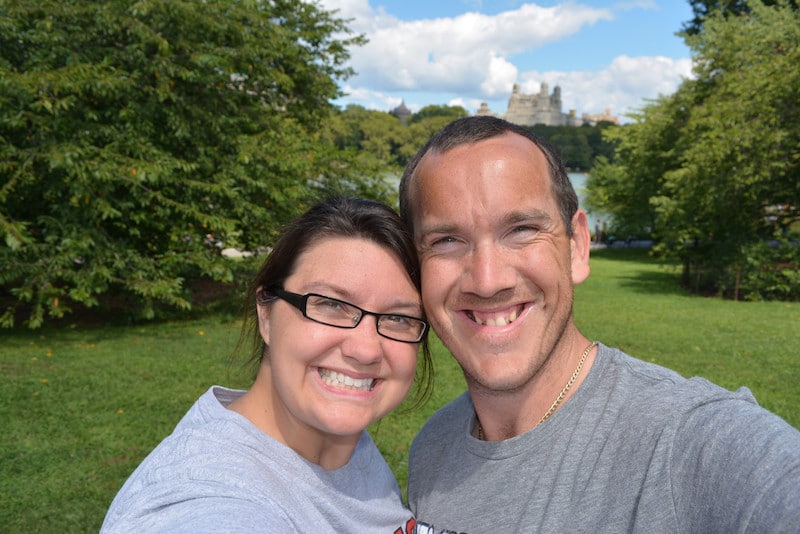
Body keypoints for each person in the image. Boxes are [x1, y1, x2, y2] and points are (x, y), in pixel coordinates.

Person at [399, 116, 800, 532]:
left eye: (521, 229)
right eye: (446, 240)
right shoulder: (433, 447)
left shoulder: (691, 442)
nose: (487, 280)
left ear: (577, 246)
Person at [102, 196, 429, 533]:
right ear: (267, 313)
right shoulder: (207, 498)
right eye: (331, 304)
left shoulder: (342, 447)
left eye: (397, 318)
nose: (365, 350)